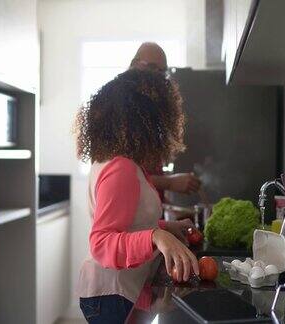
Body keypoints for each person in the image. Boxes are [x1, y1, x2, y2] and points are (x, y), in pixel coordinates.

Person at [75, 69, 199, 323]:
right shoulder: (120, 168)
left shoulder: (119, 161)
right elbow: (101, 243)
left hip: (118, 290)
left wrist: (166, 228)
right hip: (110, 294)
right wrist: (156, 236)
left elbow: (130, 224)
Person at [129, 42, 201, 197]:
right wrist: (169, 182)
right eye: (152, 68)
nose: (158, 76)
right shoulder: (122, 111)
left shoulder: (148, 110)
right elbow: (123, 177)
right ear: (134, 66)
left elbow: (146, 174)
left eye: (162, 72)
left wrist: (167, 211)